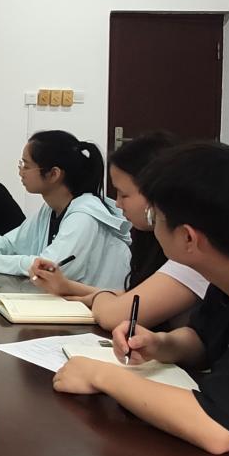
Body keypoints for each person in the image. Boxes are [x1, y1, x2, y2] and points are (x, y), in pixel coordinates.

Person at [53, 142, 229, 455]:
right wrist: (161, 345)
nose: (150, 224)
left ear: (188, 237)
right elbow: (204, 338)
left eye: (154, 216)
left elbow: (219, 430)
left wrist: (101, 375)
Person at [29, 132, 208, 330]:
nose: (118, 204)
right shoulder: (149, 240)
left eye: (124, 194)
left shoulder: (191, 252)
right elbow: (134, 296)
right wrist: (66, 286)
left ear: (156, 193)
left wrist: (98, 299)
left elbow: (118, 314)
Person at [0, 130, 131, 289]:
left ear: (54, 174)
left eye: (26, 165)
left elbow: (48, 268)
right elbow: (12, 243)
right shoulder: (50, 208)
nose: (20, 171)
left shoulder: (84, 215)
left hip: (94, 311)